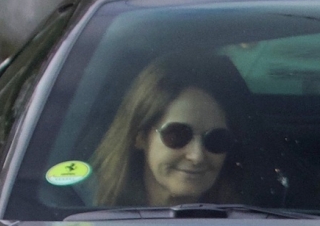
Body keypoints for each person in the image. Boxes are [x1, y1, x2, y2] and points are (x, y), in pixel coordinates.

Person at [82, 54, 253, 207]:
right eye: (178, 135)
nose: (197, 156)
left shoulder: (256, 224)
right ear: (139, 136)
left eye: (216, 139)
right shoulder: (83, 216)